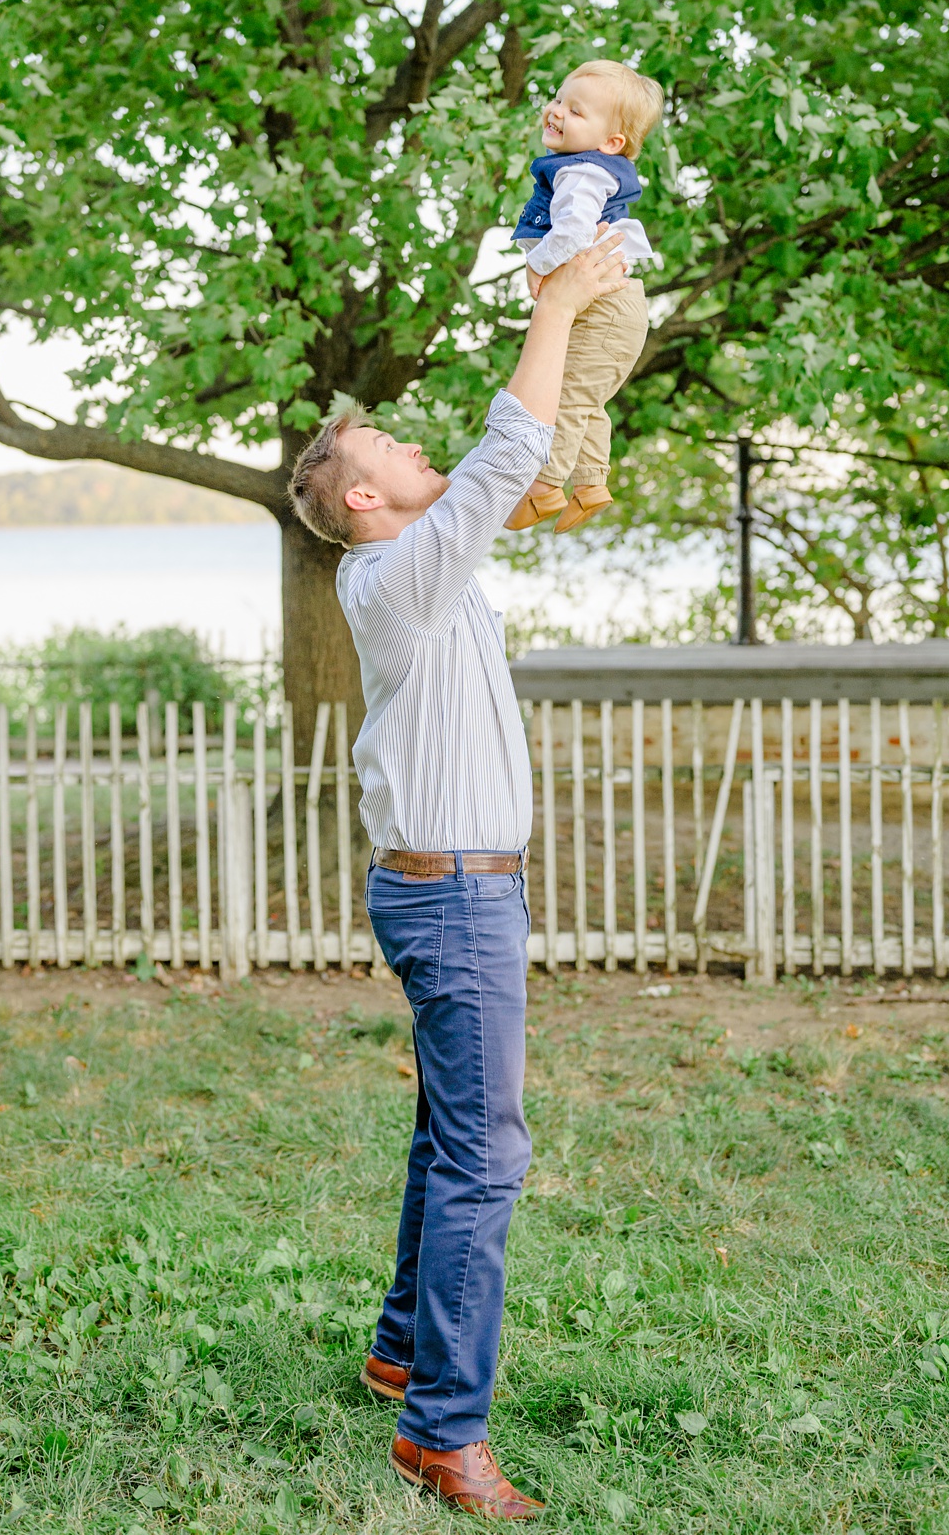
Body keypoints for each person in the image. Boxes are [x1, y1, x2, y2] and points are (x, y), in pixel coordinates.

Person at [285, 227, 632, 1522]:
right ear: (363, 502)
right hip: (454, 895)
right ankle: (443, 1435)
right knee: (487, 1157)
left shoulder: (429, 566)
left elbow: (524, 465)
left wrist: (583, 349)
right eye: (394, 455)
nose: (419, 454)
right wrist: (554, 303)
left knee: (449, 1134)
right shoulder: (394, 577)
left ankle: (398, 1352)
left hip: (457, 885)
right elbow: (504, 453)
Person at [504, 59, 663, 535]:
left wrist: (538, 262)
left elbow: (572, 232)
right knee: (585, 398)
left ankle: (545, 485)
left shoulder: (582, 173)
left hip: (607, 309)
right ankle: (591, 485)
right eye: (558, 99)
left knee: (567, 398)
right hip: (611, 306)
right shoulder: (581, 167)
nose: (556, 112)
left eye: (576, 111)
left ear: (611, 142)